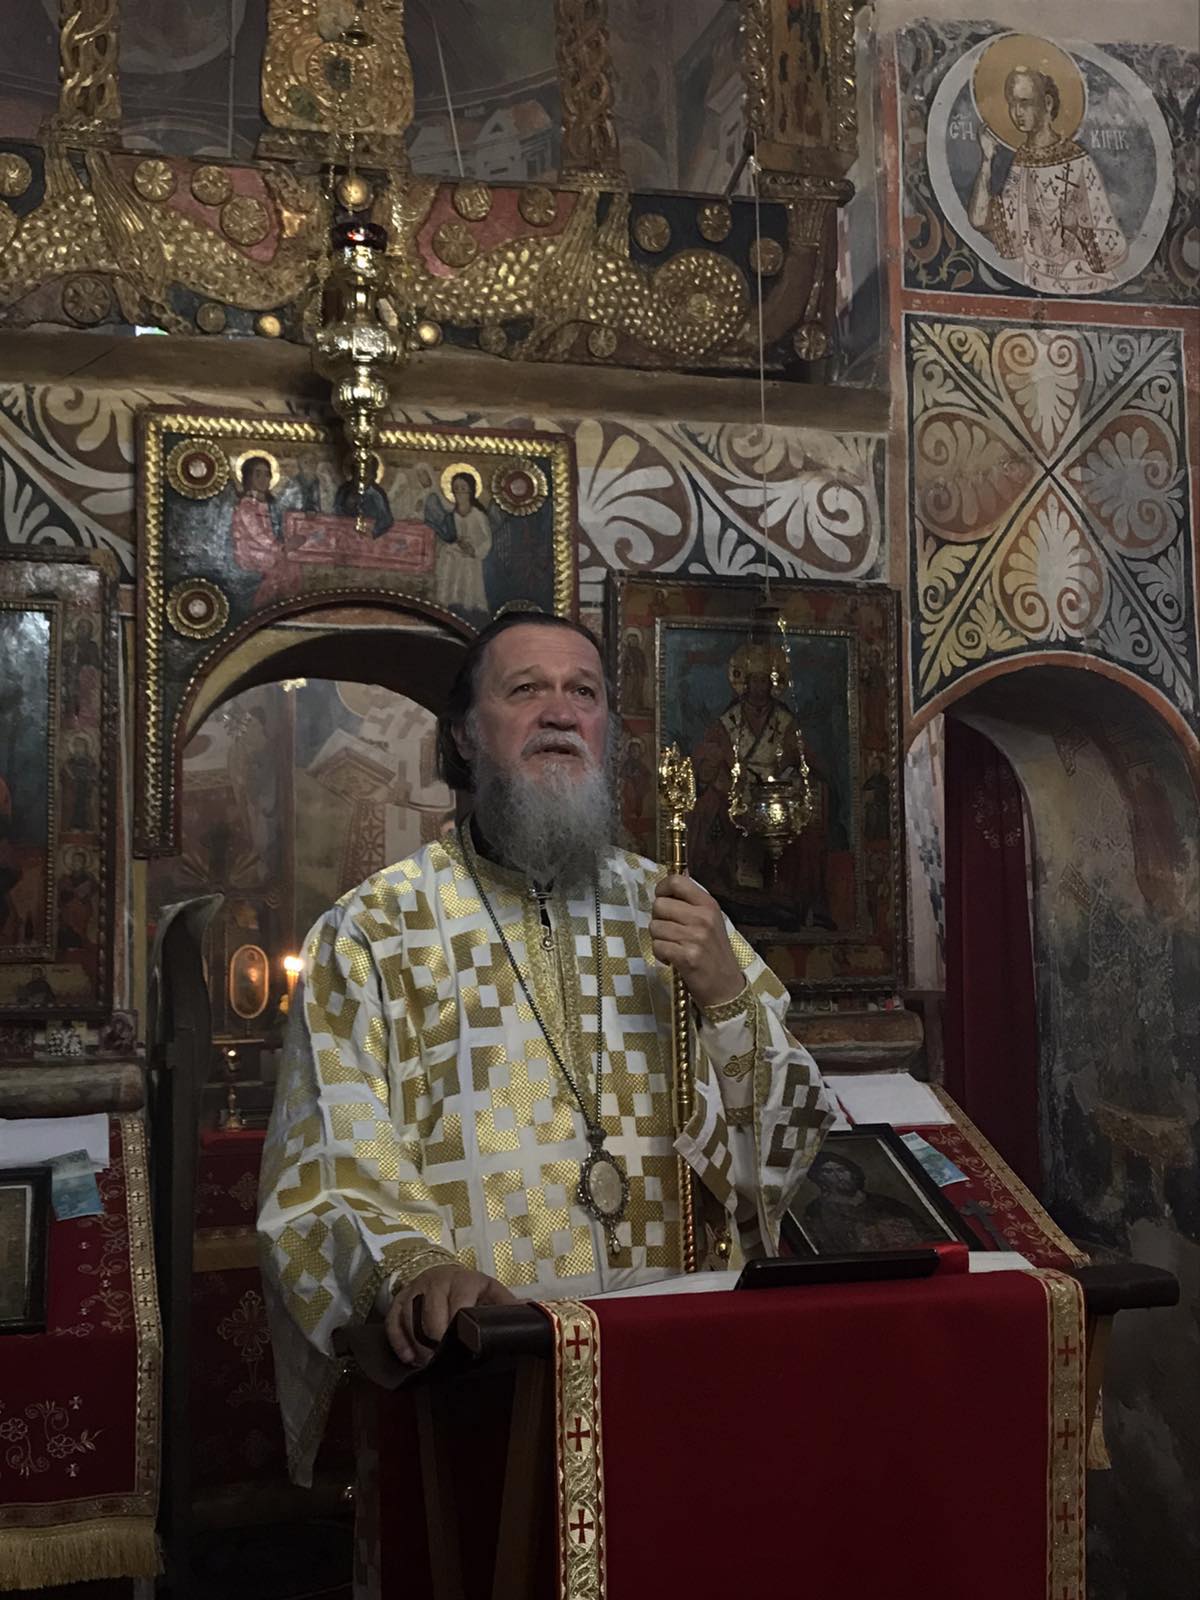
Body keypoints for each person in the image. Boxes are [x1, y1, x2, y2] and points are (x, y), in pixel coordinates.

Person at [258, 613, 837, 1485]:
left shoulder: (675, 911)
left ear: (606, 731)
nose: (560, 712)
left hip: (677, 1376)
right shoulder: (374, 931)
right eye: (526, 689)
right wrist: (415, 1266)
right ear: (464, 733)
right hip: (482, 1380)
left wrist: (726, 997)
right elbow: (328, 1159)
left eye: (583, 693)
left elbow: (783, 1164)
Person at [967, 64, 1127, 296]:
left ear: (1048, 103)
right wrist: (986, 160)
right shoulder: (1021, 165)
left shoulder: (1078, 162)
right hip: (1037, 283)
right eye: (1012, 103)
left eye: (1025, 102)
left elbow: (1114, 244)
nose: (1017, 112)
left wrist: (1076, 228)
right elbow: (980, 220)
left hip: (1086, 284)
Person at [800, 1151, 936, 1254]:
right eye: (828, 1172)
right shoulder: (816, 1210)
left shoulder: (885, 1202)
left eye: (842, 1170)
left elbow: (925, 1232)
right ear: (819, 1177)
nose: (838, 1176)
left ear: (852, 1173)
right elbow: (827, 1246)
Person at [333, 456, 394, 537]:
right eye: (358, 473)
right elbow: (336, 511)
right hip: (345, 533)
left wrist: (373, 531)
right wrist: (348, 505)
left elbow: (386, 519)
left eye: (367, 473)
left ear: (374, 475)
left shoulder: (377, 494)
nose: (362, 477)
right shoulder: (344, 490)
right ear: (353, 474)